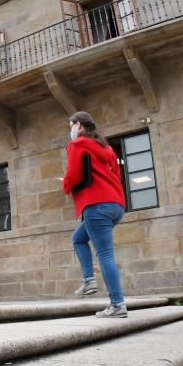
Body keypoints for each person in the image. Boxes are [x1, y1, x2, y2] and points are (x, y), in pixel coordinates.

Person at [61, 111, 128, 318]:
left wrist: (65, 185)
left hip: (96, 204)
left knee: (105, 255)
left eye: (71, 125)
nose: (70, 130)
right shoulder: (106, 148)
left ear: (79, 125)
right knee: (78, 238)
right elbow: (117, 174)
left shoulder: (77, 145)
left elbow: (73, 175)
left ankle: (117, 305)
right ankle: (89, 280)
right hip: (116, 206)